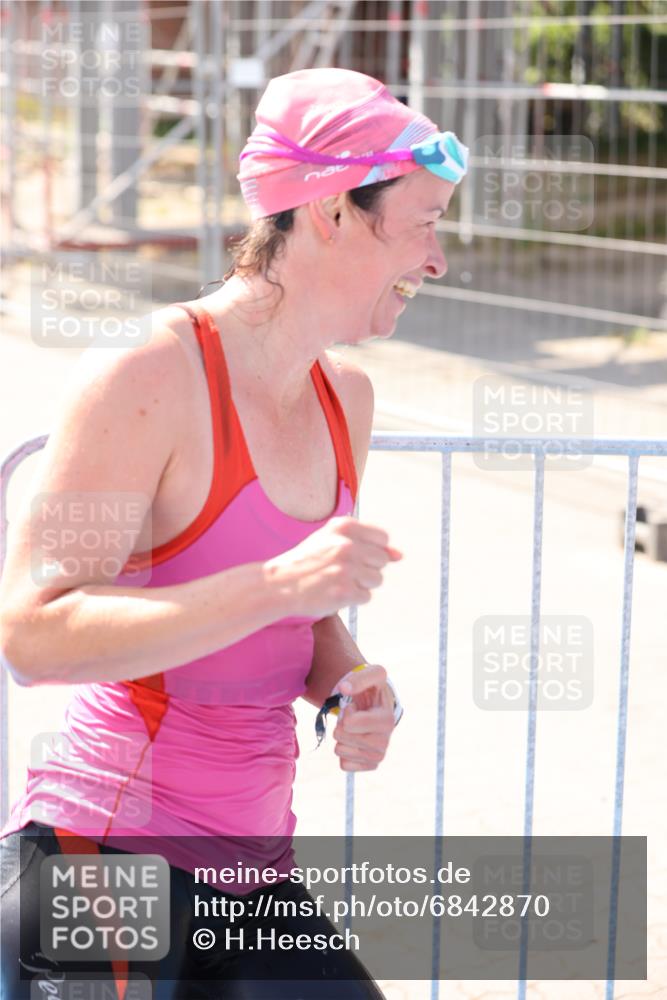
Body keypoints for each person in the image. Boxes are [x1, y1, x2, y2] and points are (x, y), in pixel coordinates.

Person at [0, 67, 467, 998]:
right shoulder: (149, 371)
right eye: (424, 224)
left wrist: (348, 685)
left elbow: (301, 619)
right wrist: (277, 585)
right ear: (331, 210)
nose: (438, 260)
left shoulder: (345, 397)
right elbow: (32, 635)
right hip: (104, 852)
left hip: (251, 881)